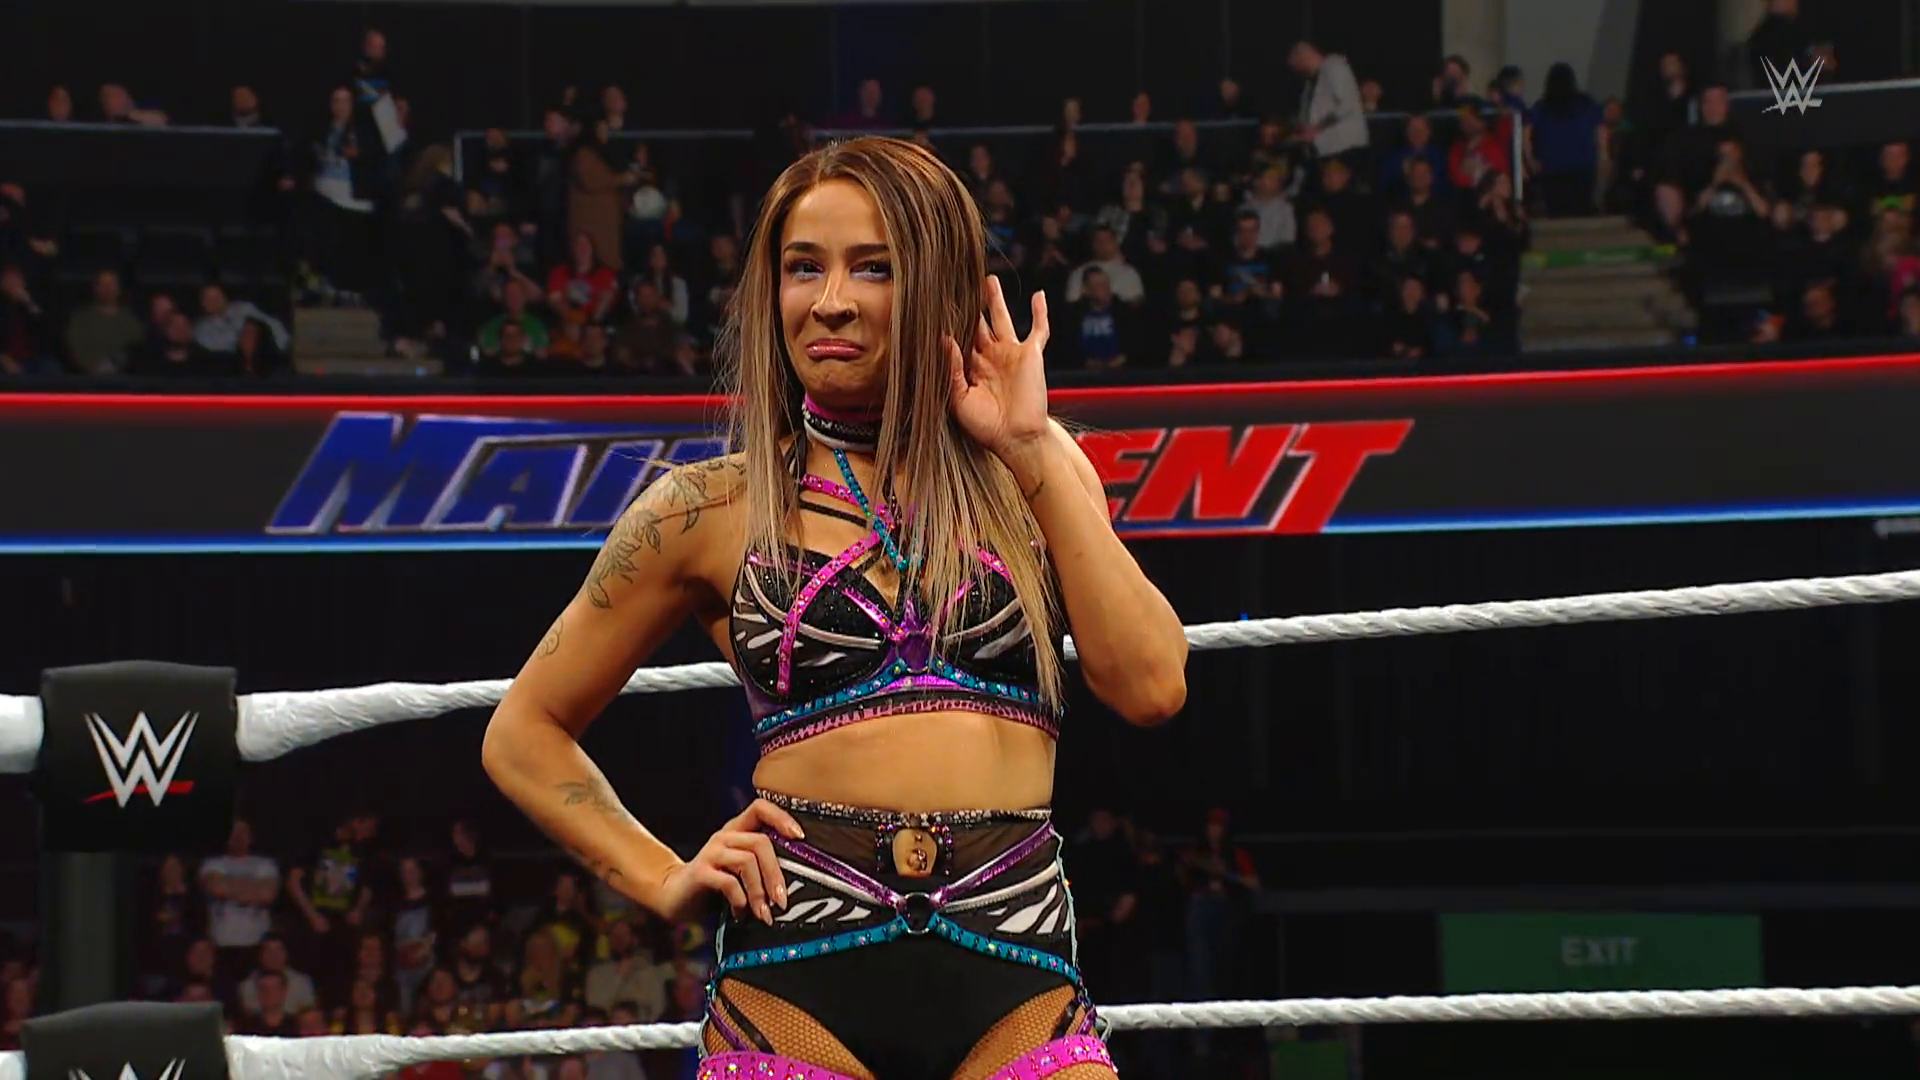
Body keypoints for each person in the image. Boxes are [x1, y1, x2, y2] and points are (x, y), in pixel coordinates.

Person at [484, 136, 1188, 1080]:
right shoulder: (705, 509)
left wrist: (1029, 451)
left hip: (1017, 972)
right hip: (792, 981)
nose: (830, 302)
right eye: (803, 267)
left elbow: (1151, 686)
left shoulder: (1036, 467)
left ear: (938, 285)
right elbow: (523, 733)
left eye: (874, 268)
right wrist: (662, 878)